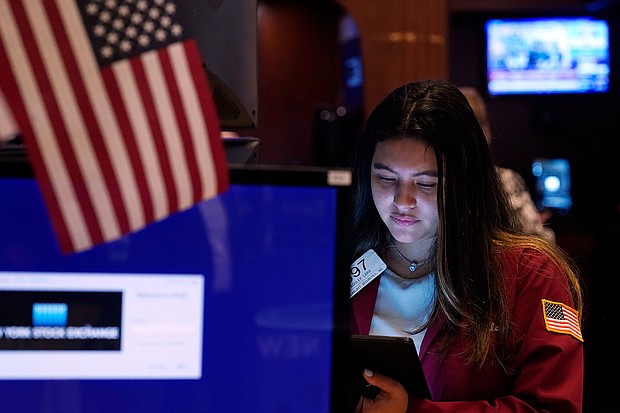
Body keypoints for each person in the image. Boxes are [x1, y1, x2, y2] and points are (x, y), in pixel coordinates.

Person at [350, 79, 584, 412]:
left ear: (465, 182)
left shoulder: (529, 274)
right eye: (385, 178)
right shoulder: (340, 260)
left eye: (427, 183)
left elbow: (551, 408)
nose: (402, 201)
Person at [458, 86, 556, 243]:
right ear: (483, 133)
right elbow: (541, 243)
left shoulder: (430, 183)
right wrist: (535, 224)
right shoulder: (503, 181)